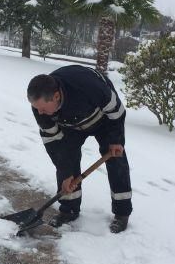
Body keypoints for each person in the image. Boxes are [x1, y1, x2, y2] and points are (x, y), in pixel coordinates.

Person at [27, 64, 132, 233]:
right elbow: (54, 144)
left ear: (55, 96)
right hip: (70, 126)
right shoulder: (40, 108)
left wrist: (116, 140)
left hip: (104, 120)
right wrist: (66, 172)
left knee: (116, 160)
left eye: (43, 108)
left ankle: (122, 213)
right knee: (66, 164)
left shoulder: (87, 85)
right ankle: (69, 211)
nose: (39, 112)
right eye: (36, 108)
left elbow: (117, 112)